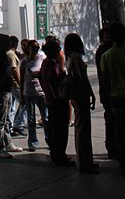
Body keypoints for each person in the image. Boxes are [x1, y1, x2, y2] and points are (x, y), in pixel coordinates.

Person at [100, 22, 125, 176]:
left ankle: (124, 165)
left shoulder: (105, 56)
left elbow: (105, 80)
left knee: (120, 132)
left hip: (116, 98)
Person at [63, 33, 98, 174]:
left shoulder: (69, 58)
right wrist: (92, 93)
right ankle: (85, 163)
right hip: (81, 94)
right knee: (83, 129)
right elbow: (83, 78)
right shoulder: (76, 58)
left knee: (80, 128)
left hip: (75, 96)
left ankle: (86, 160)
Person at [0, 34, 22, 158]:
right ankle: (0, 148)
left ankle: (8, 143)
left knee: (6, 120)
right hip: (1, 91)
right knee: (0, 121)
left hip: (4, 89)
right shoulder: (1, 56)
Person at [39, 38, 73, 167]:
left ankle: (56, 153)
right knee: (60, 130)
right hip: (57, 100)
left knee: (54, 129)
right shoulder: (53, 66)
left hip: (50, 99)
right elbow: (56, 83)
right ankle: (60, 155)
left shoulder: (45, 63)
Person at [19, 39, 48, 152]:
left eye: (37, 47)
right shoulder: (24, 62)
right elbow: (22, 79)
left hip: (41, 92)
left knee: (46, 117)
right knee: (31, 120)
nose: (36, 49)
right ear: (29, 48)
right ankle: (32, 142)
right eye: (33, 47)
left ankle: (49, 139)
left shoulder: (41, 59)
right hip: (28, 93)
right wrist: (21, 95)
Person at [95, 26, 114, 158]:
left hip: (109, 92)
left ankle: (117, 146)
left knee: (113, 120)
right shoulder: (104, 52)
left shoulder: (104, 51)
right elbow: (104, 75)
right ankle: (112, 147)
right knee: (112, 120)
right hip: (108, 92)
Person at [8, 36, 26, 136]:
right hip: (15, 83)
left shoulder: (12, 54)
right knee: (25, 103)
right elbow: (15, 70)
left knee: (12, 107)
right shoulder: (11, 54)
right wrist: (20, 82)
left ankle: (11, 126)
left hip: (12, 83)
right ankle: (18, 124)